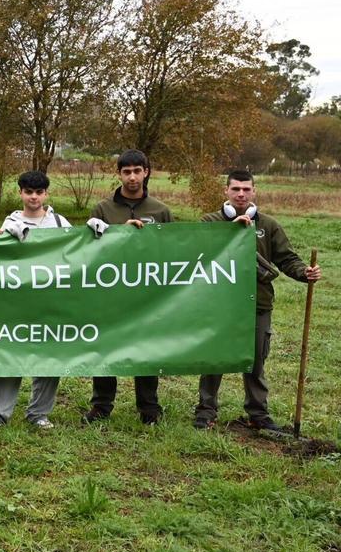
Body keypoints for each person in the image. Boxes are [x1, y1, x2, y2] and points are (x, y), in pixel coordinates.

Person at [194, 169, 322, 431]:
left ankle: (258, 414)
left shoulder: (268, 225)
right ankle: (206, 411)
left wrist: (304, 272)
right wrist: (231, 232)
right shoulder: (209, 221)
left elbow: (286, 258)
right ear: (226, 191)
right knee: (214, 358)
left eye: (246, 189)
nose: (241, 194)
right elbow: (196, 255)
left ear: (254, 191)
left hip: (258, 304)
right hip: (219, 304)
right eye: (235, 189)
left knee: (255, 360)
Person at [82, 149, 173, 425]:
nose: (132, 177)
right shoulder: (103, 209)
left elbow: (172, 251)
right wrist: (121, 232)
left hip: (147, 294)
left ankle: (149, 407)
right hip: (110, 292)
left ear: (146, 172)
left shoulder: (160, 211)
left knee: (146, 347)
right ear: (119, 174)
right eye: (126, 172)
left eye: (137, 171)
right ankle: (101, 405)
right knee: (106, 346)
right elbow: (91, 249)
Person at [0, 170, 70, 431]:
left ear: (46, 194)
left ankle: (39, 413)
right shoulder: (10, 221)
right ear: (20, 193)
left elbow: (77, 248)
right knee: (8, 354)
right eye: (28, 192)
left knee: (50, 356)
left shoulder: (59, 222)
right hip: (15, 303)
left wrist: (96, 231)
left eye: (39, 192)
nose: (34, 197)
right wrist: (3, 235)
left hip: (51, 301)